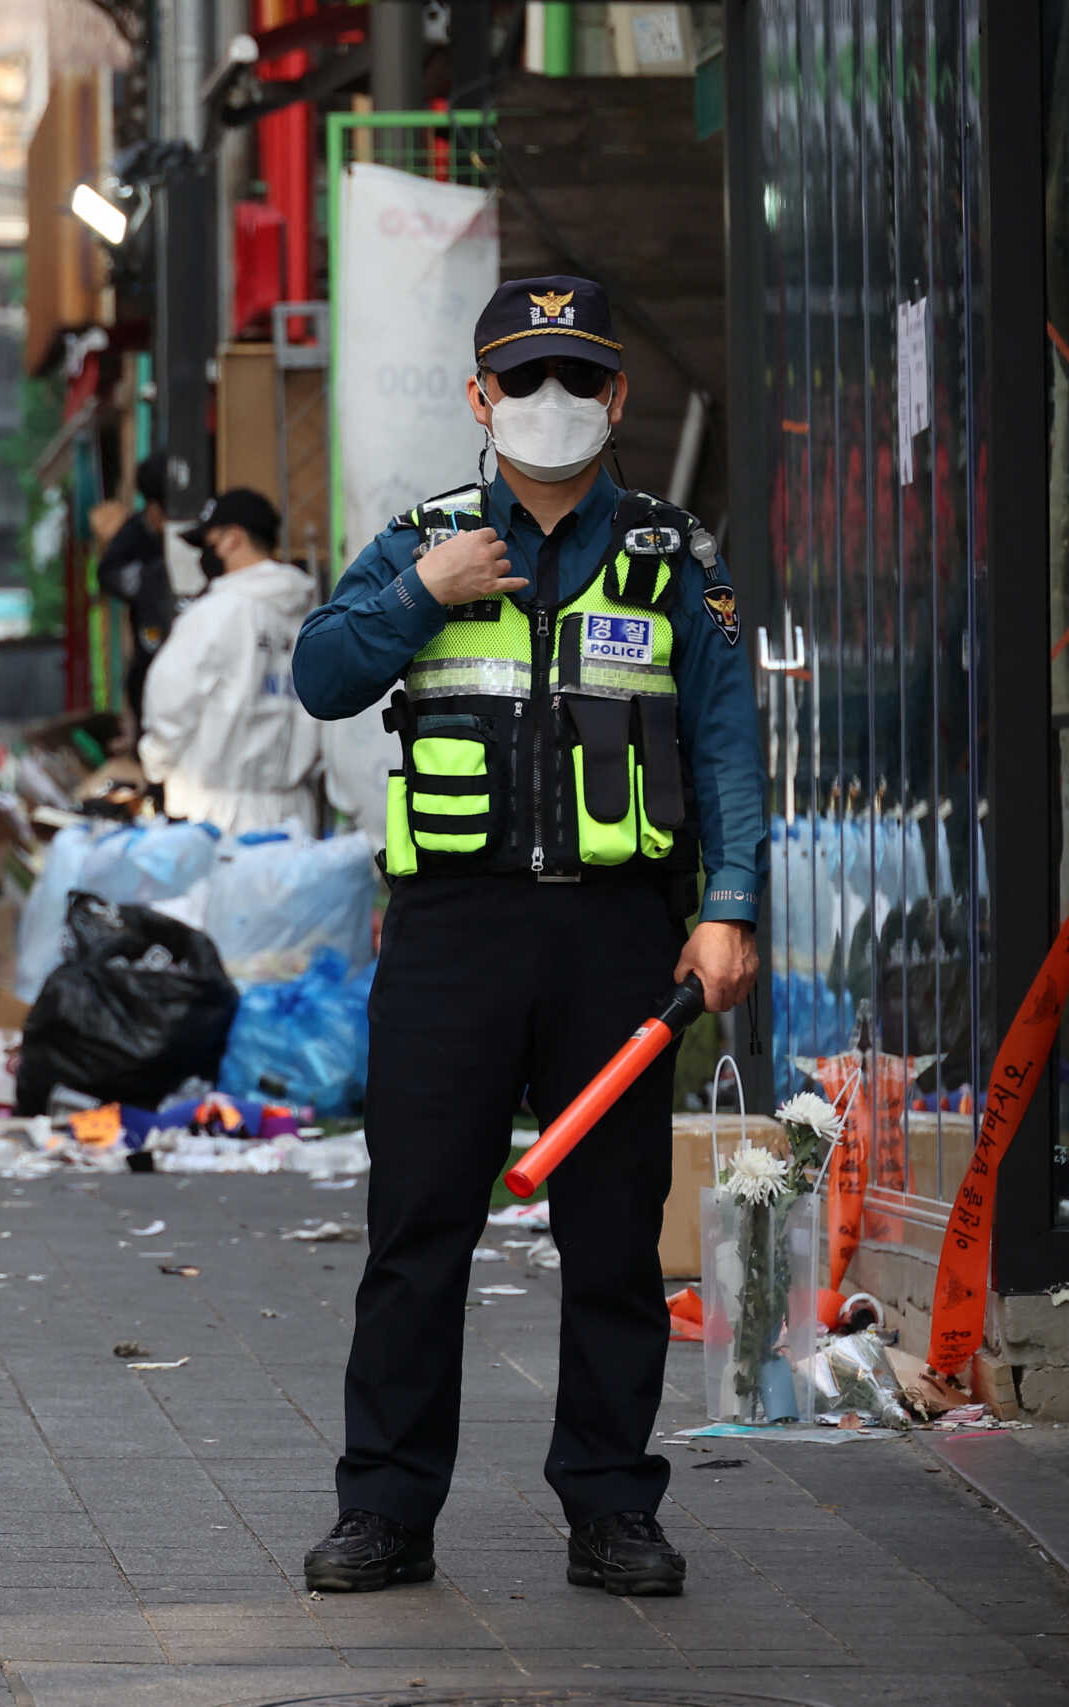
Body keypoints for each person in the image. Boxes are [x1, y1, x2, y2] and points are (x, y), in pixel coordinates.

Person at [292, 276, 764, 1598]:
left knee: (612, 1234)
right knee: (415, 1226)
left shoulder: (678, 559)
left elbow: (726, 737)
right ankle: (385, 1508)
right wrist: (418, 597)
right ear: (477, 399)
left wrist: (728, 901)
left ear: (619, 397)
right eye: (523, 378)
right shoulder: (423, 538)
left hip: (620, 933)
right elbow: (323, 673)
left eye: (576, 378)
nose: (548, 403)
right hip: (451, 931)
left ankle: (612, 1505)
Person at [138, 487, 323, 834]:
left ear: (233, 539)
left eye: (209, 541)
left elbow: (169, 705)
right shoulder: (310, 615)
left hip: (213, 816)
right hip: (294, 816)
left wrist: (155, 765)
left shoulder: (215, 615)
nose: (205, 556)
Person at [95, 454, 177, 720]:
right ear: (153, 507)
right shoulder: (135, 533)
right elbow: (107, 574)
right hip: (151, 652)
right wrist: (151, 581)